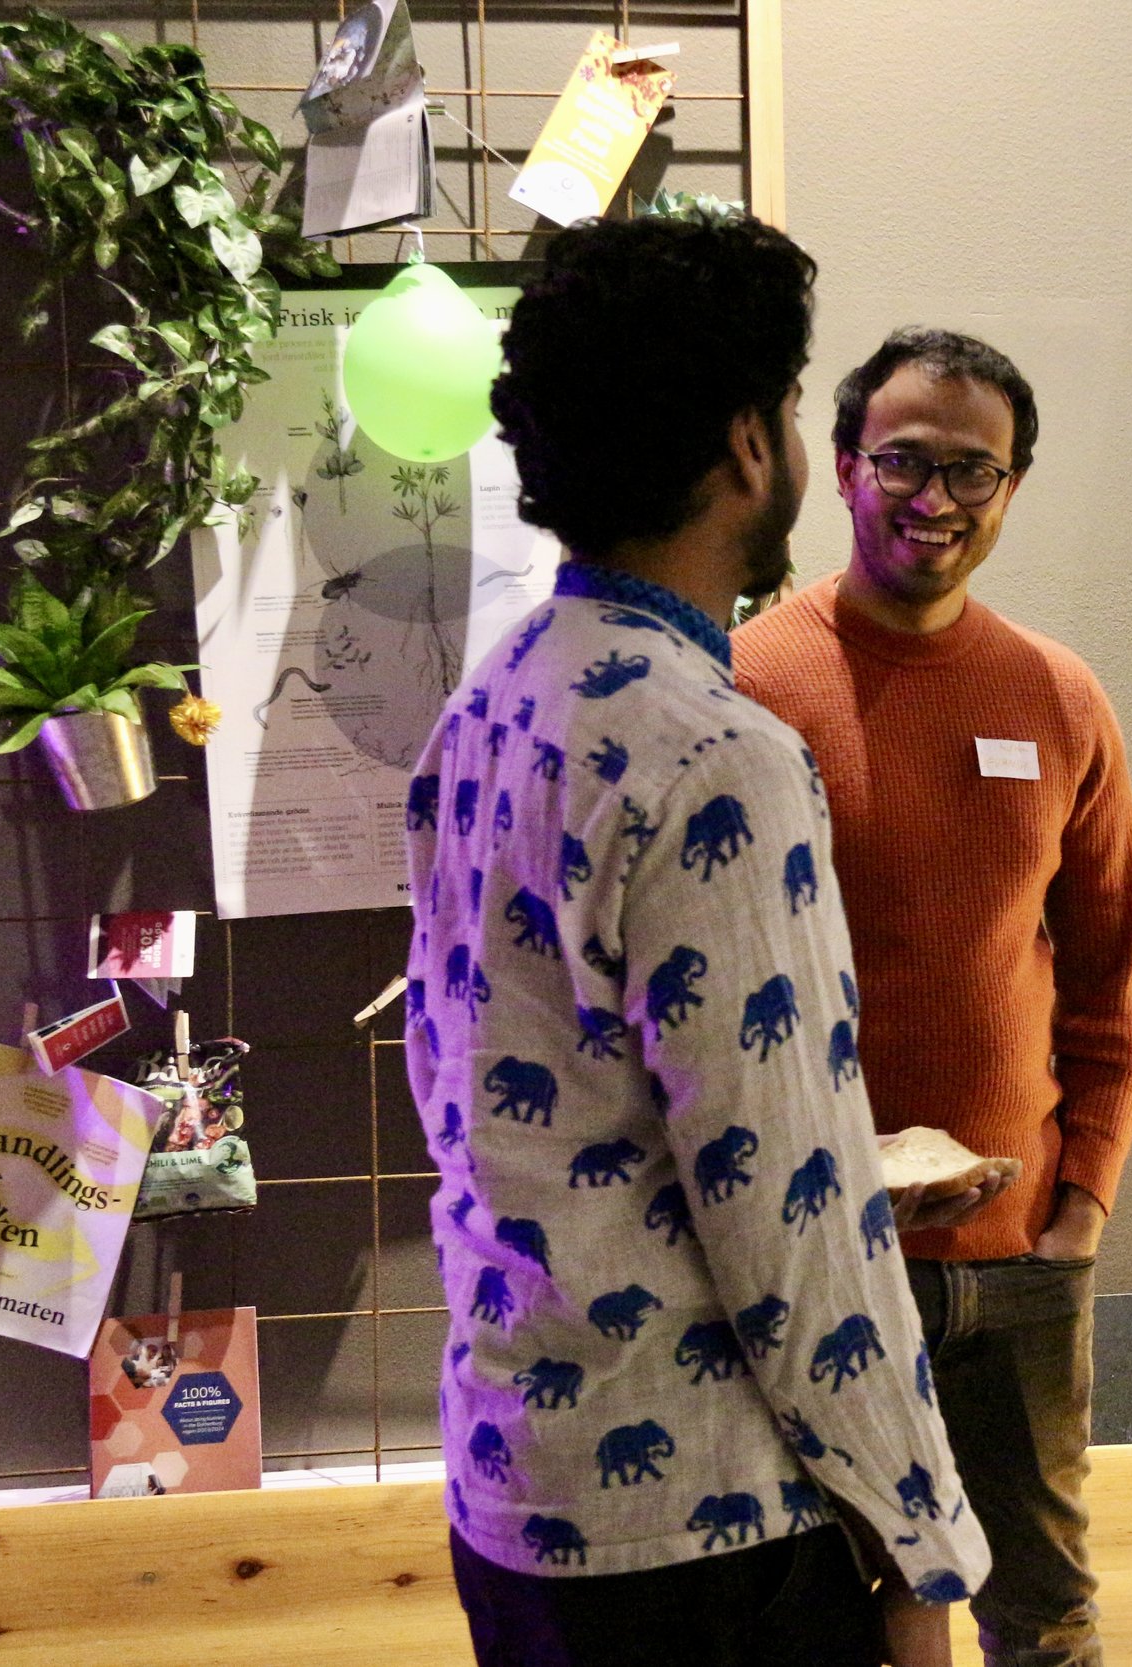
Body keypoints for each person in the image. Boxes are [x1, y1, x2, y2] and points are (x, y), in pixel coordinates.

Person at [404, 217, 989, 1667]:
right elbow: (786, 1212)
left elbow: (474, 1086)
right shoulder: (715, 751)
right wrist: (921, 1546)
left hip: (517, 1488)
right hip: (706, 1533)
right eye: (789, 406)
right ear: (746, 443)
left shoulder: (491, 704)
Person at [734, 327, 1132, 1667]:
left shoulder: (1057, 695)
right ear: (843, 467)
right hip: (812, 1258)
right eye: (904, 461)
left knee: (1046, 1615)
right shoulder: (745, 682)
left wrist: (1079, 1212)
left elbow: (1111, 980)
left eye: (974, 469)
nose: (937, 497)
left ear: (1012, 486)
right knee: (828, 1620)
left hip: (1020, 1267)